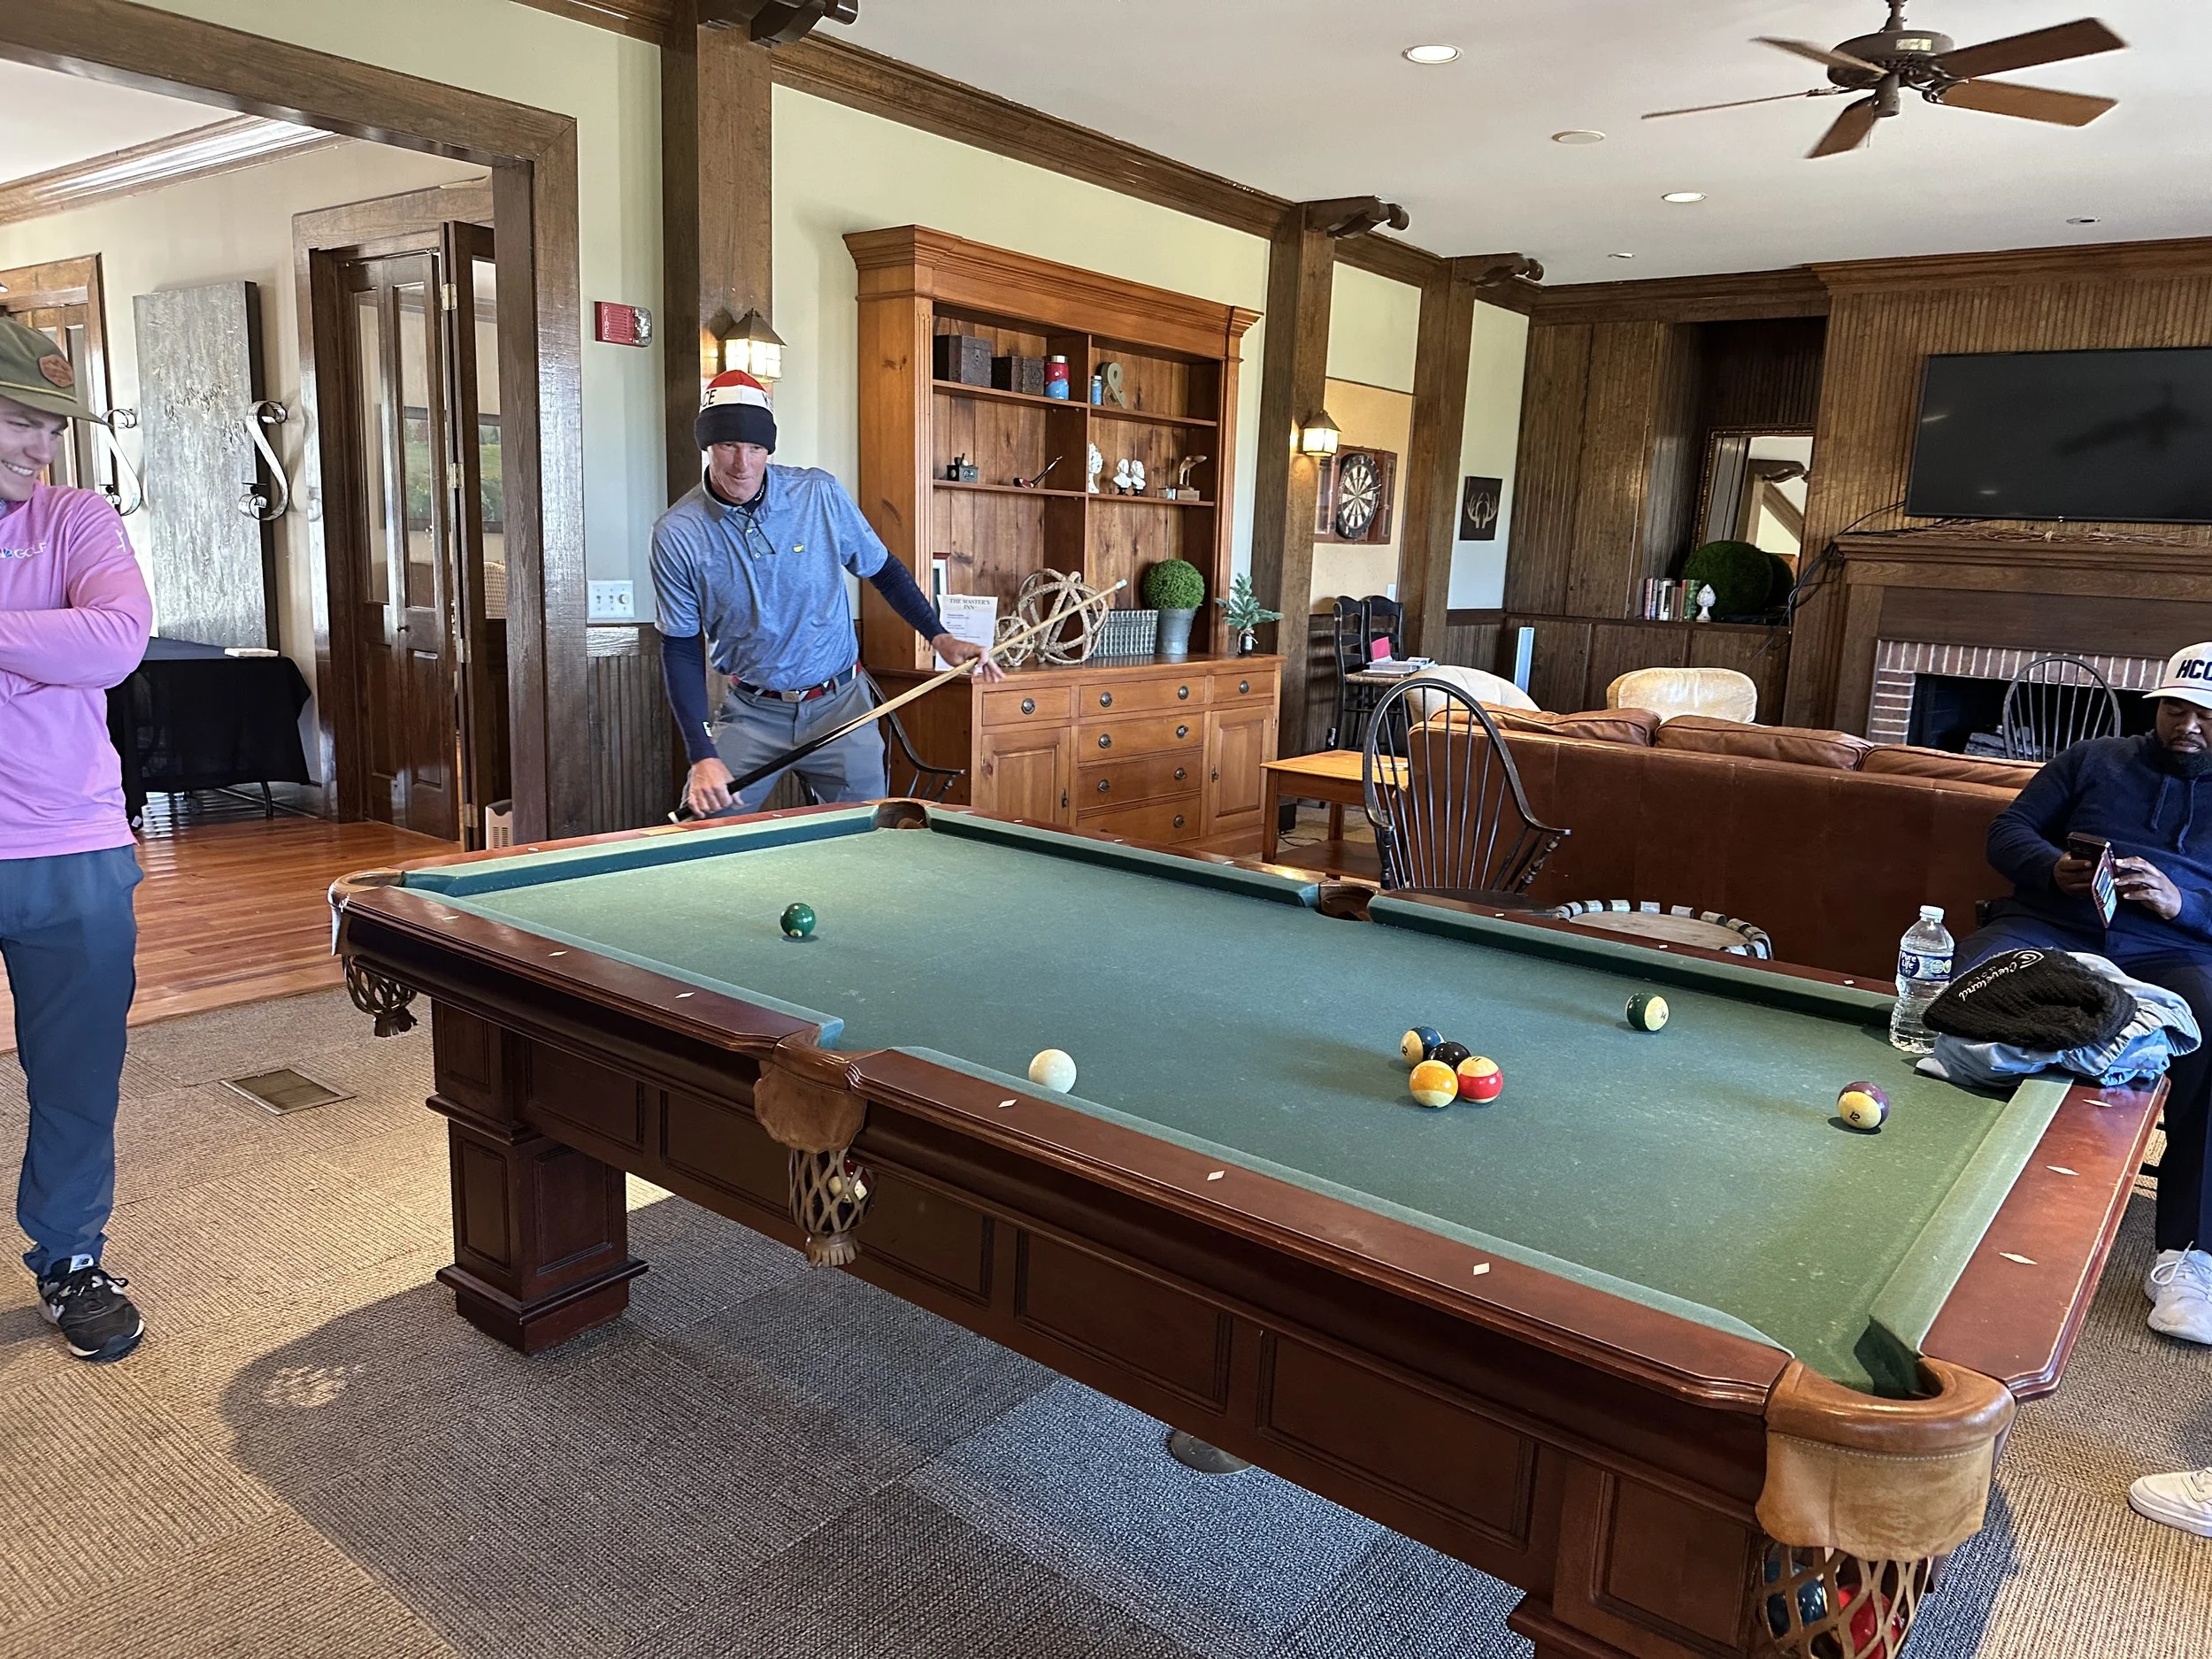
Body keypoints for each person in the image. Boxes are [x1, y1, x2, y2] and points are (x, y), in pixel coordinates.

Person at [1966, 646, 2212, 1346]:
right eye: (2174, 708)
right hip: (2053, 922)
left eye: (2203, 714)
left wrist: (2182, 900)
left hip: (2176, 949)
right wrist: (2052, 869)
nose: (2186, 725)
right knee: (1969, 985)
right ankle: (1950, 1204)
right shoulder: (2094, 757)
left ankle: (2189, 1255)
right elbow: (2006, 831)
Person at [0, 316, 152, 1362]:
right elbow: (69, 643)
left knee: (76, 1072)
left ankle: (68, 1256)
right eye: (18, 418)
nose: (39, 447)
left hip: (72, 846)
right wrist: (32, 645)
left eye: (51, 425)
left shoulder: (77, 519)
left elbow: (115, 639)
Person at [653, 370, 998, 819]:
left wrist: (940, 637)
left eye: (755, 447)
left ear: (769, 449)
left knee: (871, 834)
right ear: (707, 445)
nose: (742, 463)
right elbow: (679, 646)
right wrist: (702, 754)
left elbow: (886, 572)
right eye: (727, 446)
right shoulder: (677, 533)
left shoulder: (818, 493)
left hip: (841, 705)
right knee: (705, 829)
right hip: (753, 713)